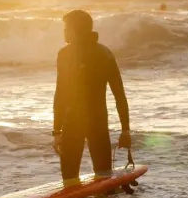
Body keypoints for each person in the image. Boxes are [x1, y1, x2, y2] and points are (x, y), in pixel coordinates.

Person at [53, 10, 131, 186]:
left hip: (72, 123)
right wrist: (125, 130)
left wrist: (57, 130)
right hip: (97, 122)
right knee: (104, 182)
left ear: (77, 29)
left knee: (70, 182)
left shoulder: (66, 55)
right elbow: (119, 95)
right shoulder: (105, 53)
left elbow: (60, 95)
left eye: (67, 28)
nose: (64, 32)